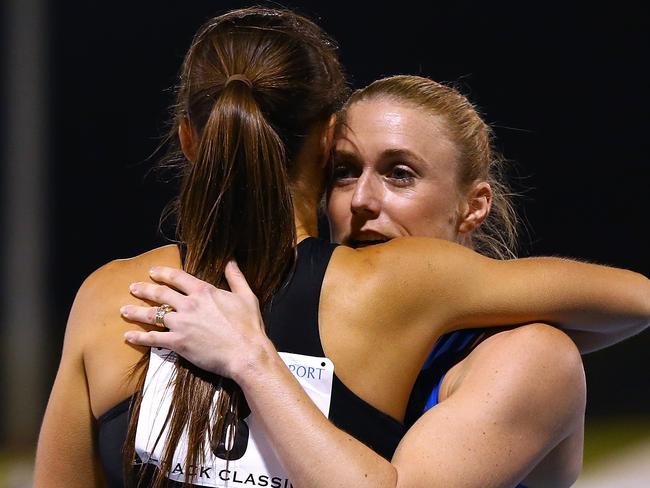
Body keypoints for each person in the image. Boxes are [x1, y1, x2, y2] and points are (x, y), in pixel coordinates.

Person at [34, 6, 650, 488]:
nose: (362, 201)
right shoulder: (389, 292)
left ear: (191, 141)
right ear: (326, 144)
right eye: (348, 172)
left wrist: (254, 360)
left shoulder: (110, 298)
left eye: (401, 174)